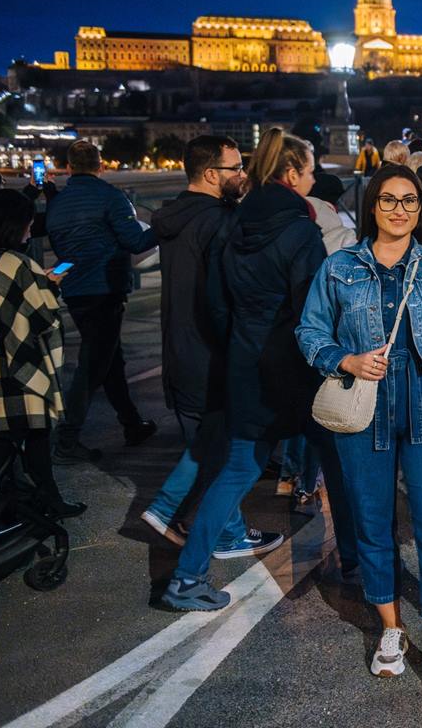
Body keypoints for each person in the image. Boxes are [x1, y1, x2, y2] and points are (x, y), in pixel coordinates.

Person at [296, 165, 422, 714]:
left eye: (410, 202)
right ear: (372, 206)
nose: (399, 210)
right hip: (364, 400)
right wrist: (344, 359)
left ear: (420, 210)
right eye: (389, 200)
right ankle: (391, 628)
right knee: (373, 523)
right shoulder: (339, 268)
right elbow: (309, 331)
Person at [161, 129, 324, 611]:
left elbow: (215, 304)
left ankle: (187, 576)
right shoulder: (300, 231)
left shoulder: (232, 224)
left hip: (243, 361)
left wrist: (240, 343)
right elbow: (312, 310)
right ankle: (363, 567)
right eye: (311, 170)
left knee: (238, 469)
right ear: (292, 174)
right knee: (339, 455)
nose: (315, 178)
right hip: (289, 368)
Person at [141, 136, 256, 547]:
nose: (243, 175)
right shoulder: (219, 221)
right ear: (211, 174)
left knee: (212, 443)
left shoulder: (174, 216)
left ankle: (229, 530)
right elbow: (232, 292)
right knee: (222, 446)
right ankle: (171, 510)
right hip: (211, 351)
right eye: (236, 167)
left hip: (178, 348)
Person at [0, 189, 84, 518]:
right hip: (19, 360)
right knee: (35, 435)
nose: (30, 230)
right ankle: (46, 502)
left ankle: (5, 503)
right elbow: (41, 315)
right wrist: (51, 284)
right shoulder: (16, 263)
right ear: (12, 225)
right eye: (27, 224)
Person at [44, 140, 157, 464]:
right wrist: (164, 225)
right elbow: (135, 240)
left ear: (68, 168)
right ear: (100, 165)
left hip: (76, 291)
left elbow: (63, 248)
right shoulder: (111, 197)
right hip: (104, 290)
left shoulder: (59, 204)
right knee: (92, 366)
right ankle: (67, 438)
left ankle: (132, 424)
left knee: (111, 361)